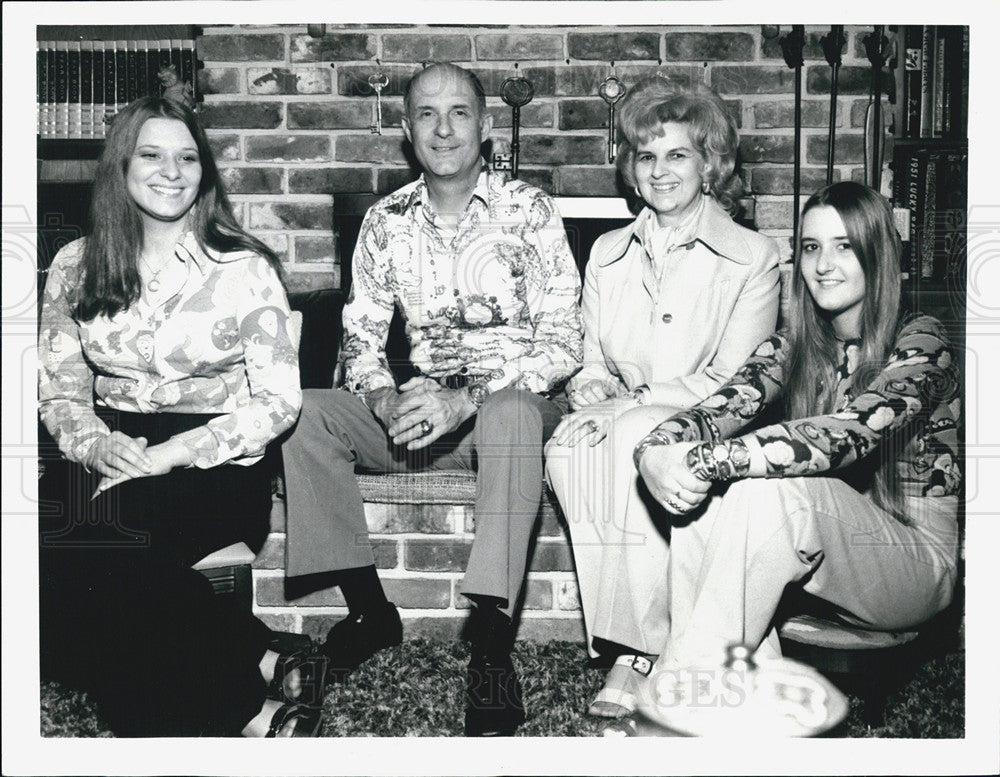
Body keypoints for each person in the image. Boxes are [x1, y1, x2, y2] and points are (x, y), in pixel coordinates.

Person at [280, 62, 582, 736]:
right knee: (304, 412)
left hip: (512, 406)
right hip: (419, 407)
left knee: (505, 413)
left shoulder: (529, 211)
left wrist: (469, 399)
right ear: (407, 132)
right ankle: (370, 613)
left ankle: (492, 646)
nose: (443, 128)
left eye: (459, 112)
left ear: (486, 126)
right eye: (426, 113)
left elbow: (565, 341)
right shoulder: (385, 221)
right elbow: (359, 337)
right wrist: (384, 399)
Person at [37, 96, 322, 737]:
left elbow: (278, 401)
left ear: (205, 172)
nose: (172, 171)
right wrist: (95, 446)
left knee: (106, 540)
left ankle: (250, 714)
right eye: (153, 155)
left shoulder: (245, 268)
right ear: (121, 167)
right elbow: (59, 393)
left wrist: (168, 455)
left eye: (188, 157)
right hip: (114, 443)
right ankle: (257, 654)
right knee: (43, 542)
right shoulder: (73, 267)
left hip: (214, 459)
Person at [625, 181, 960, 713]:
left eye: (845, 245)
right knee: (717, 497)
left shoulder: (922, 340)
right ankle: (726, 682)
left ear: (879, 253)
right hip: (824, 559)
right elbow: (717, 409)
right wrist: (654, 452)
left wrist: (711, 460)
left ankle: (681, 697)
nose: (824, 263)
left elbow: (851, 432)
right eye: (811, 247)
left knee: (774, 491)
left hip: (914, 564)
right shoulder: (790, 347)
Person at [543, 77, 780, 716]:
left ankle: (638, 654)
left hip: (710, 422)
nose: (660, 169)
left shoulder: (754, 257)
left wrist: (624, 404)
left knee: (627, 434)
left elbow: (737, 381)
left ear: (710, 163)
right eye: (646, 156)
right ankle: (652, 638)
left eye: (678, 153)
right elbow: (589, 360)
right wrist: (589, 388)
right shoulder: (605, 253)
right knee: (568, 450)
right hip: (622, 414)